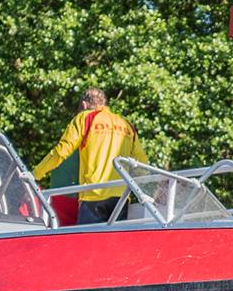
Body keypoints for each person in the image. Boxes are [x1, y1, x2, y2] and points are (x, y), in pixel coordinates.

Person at [31, 88, 149, 225]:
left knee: (87, 242)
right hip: (120, 198)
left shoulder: (85, 118)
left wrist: (36, 174)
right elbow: (141, 164)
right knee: (112, 244)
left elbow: (61, 151)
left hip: (93, 196)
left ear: (84, 105)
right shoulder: (127, 125)